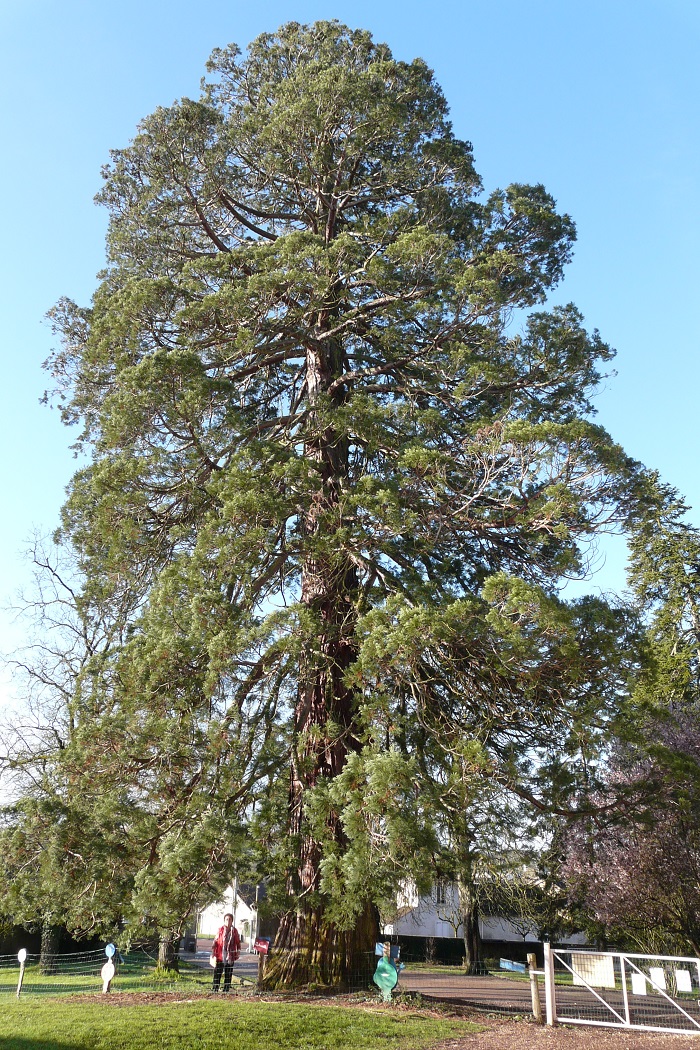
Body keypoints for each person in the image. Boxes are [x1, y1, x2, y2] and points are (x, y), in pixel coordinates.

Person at [211, 912, 241, 992]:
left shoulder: (234, 931)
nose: (228, 921)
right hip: (220, 954)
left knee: (228, 973)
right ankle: (215, 988)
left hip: (230, 955)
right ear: (224, 921)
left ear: (232, 921)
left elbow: (238, 942)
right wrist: (213, 951)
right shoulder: (220, 929)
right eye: (226, 919)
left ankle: (226, 989)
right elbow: (215, 941)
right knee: (217, 972)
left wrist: (238, 951)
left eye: (230, 919)